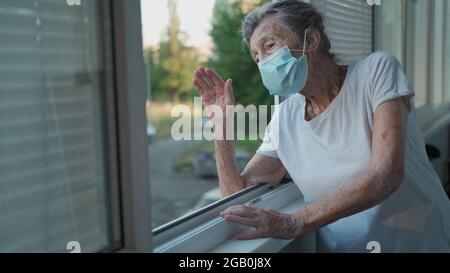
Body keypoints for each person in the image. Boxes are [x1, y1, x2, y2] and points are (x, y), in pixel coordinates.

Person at [192, 0, 450, 252]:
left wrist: (294, 222)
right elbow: (237, 196)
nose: (263, 63)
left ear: (311, 40)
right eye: (257, 57)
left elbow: (386, 177)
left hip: (418, 241)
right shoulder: (285, 116)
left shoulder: (377, 71)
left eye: (269, 46)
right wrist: (221, 126)